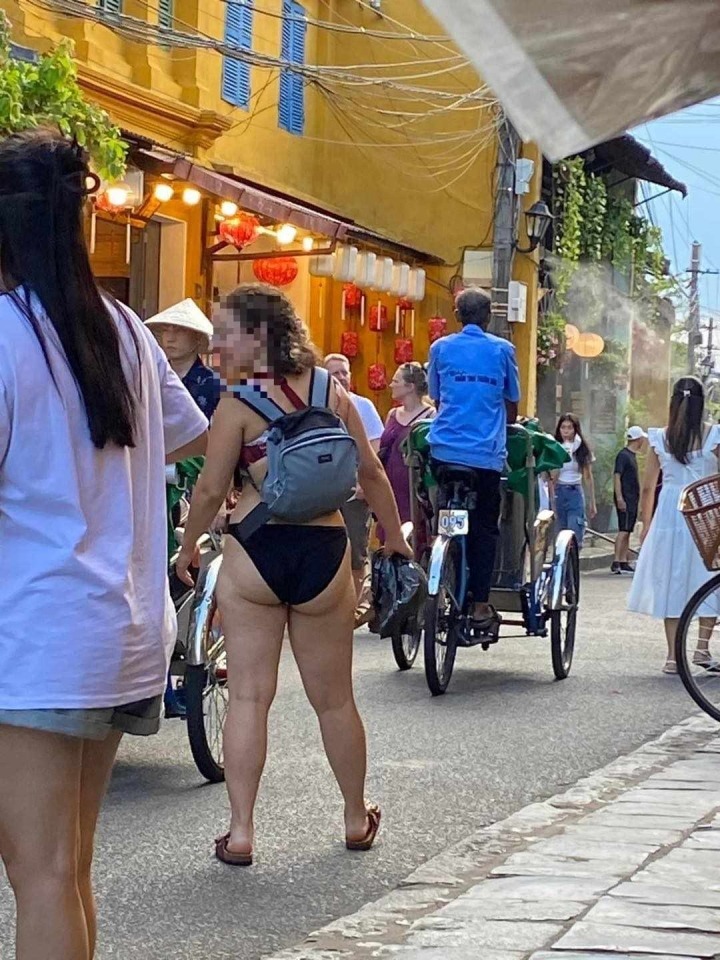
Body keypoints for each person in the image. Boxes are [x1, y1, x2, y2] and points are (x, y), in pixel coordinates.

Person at [0, 131, 208, 960]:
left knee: (42, 872)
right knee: (67, 867)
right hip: (121, 630)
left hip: (38, 637)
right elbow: (189, 434)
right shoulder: (122, 327)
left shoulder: (7, 334)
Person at [176, 284, 411, 865]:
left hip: (255, 550)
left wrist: (188, 546)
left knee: (249, 697)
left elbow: (209, 488)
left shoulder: (237, 402)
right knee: (335, 701)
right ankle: (355, 817)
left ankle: (241, 833)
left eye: (226, 332)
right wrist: (395, 537)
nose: (217, 344)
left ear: (258, 335)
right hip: (325, 550)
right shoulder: (334, 393)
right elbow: (372, 474)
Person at [428, 287, 520, 635]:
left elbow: (437, 398)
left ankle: (442, 559)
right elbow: (511, 405)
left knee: (444, 516)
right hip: (484, 458)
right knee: (484, 528)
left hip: (444, 452)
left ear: (457, 315)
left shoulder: (440, 348)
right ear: (489, 317)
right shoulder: (502, 350)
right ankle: (480, 604)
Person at [628, 377, 720, 675]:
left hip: (669, 513)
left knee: (672, 580)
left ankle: (672, 656)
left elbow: (647, 488)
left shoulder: (660, 438)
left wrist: (645, 524)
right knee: (707, 577)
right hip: (704, 511)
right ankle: (702, 648)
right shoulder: (714, 435)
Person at [324, 353, 384, 610]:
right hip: (321, 490)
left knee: (355, 552)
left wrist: (364, 483)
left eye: (344, 372)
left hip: (353, 491)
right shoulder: (315, 405)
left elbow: (375, 446)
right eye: (334, 373)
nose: (341, 377)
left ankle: (350, 610)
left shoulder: (363, 406)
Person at [377, 362, 435, 542]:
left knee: (416, 535)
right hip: (391, 485)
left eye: (396, 381)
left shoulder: (431, 416)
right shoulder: (392, 414)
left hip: (415, 486)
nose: (391, 385)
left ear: (410, 387)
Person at [146, 298, 221, 418]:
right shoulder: (152, 376)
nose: (170, 338)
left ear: (197, 337)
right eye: (165, 330)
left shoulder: (213, 383)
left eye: (180, 331)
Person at [552, 413, 596, 548]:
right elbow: (551, 477)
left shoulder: (581, 448)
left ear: (575, 429)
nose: (566, 431)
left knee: (574, 529)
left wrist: (592, 502)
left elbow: (588, 476)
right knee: (559, 531)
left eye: (569, 428)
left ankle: (574, 557)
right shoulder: (554, 446)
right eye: (563, 427)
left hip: (575, 490)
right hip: (559, 490)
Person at [611, 425, 647, 574]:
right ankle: (616, 561)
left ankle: (623, 560)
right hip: (625, 497)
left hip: (632, 498)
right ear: (638, 439)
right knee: (623, 530)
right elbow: (617, 476)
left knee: (628, 530)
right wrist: (619, 497)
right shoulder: (623, 455)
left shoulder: (632, 456)